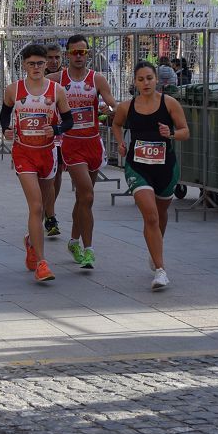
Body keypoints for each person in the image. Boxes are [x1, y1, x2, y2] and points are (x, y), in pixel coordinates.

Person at [111, 61, 189, 291]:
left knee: (161, 214)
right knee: (151, 216)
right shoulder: (127, 107)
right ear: (134, 82)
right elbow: (115, 124)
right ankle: (160, 270)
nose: (145, 83)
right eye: (140, 79)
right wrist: (120, 144)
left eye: (149, 78)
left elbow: (186, 131)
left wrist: (172, 134)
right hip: (138, 167)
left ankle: (155, 251)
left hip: (166, 168)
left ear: (157, 80)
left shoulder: (170, 103)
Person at [1, 43, 73, 283]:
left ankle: (31, 242)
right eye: (31, 63)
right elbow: (5, 113)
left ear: (47, 64)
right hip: (24, 154)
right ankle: (42, 263)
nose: (36, 68)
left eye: (40, 63)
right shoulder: (14, 89)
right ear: (24, 65)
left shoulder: (57, 90)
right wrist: (6, 129)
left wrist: (55, 128)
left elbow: (69, 121)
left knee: (42, 205)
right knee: (35, 206)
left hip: (47, 153)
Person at [49, 34, 117, 270]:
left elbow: (111, 103)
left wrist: (112, 110)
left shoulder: (97, 79)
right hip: (71, 143)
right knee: (87, 194)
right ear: (67, 54)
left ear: (87, 54)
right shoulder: (57, 79)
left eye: (83, 52)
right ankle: (89, 250)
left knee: (83, 199)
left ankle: (73, 241)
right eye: (74, 52)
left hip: (93, 143)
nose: (79, 56)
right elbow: (36, 89)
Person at [44, 43, 64, 238]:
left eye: (57, 57)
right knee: (47, 177)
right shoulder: (36, 79)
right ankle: (47, 212)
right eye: (50, 57)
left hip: (63, 134)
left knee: (57, 175)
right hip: (42, 135)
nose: (53, 61)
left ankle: (50, 213)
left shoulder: (66, 78)